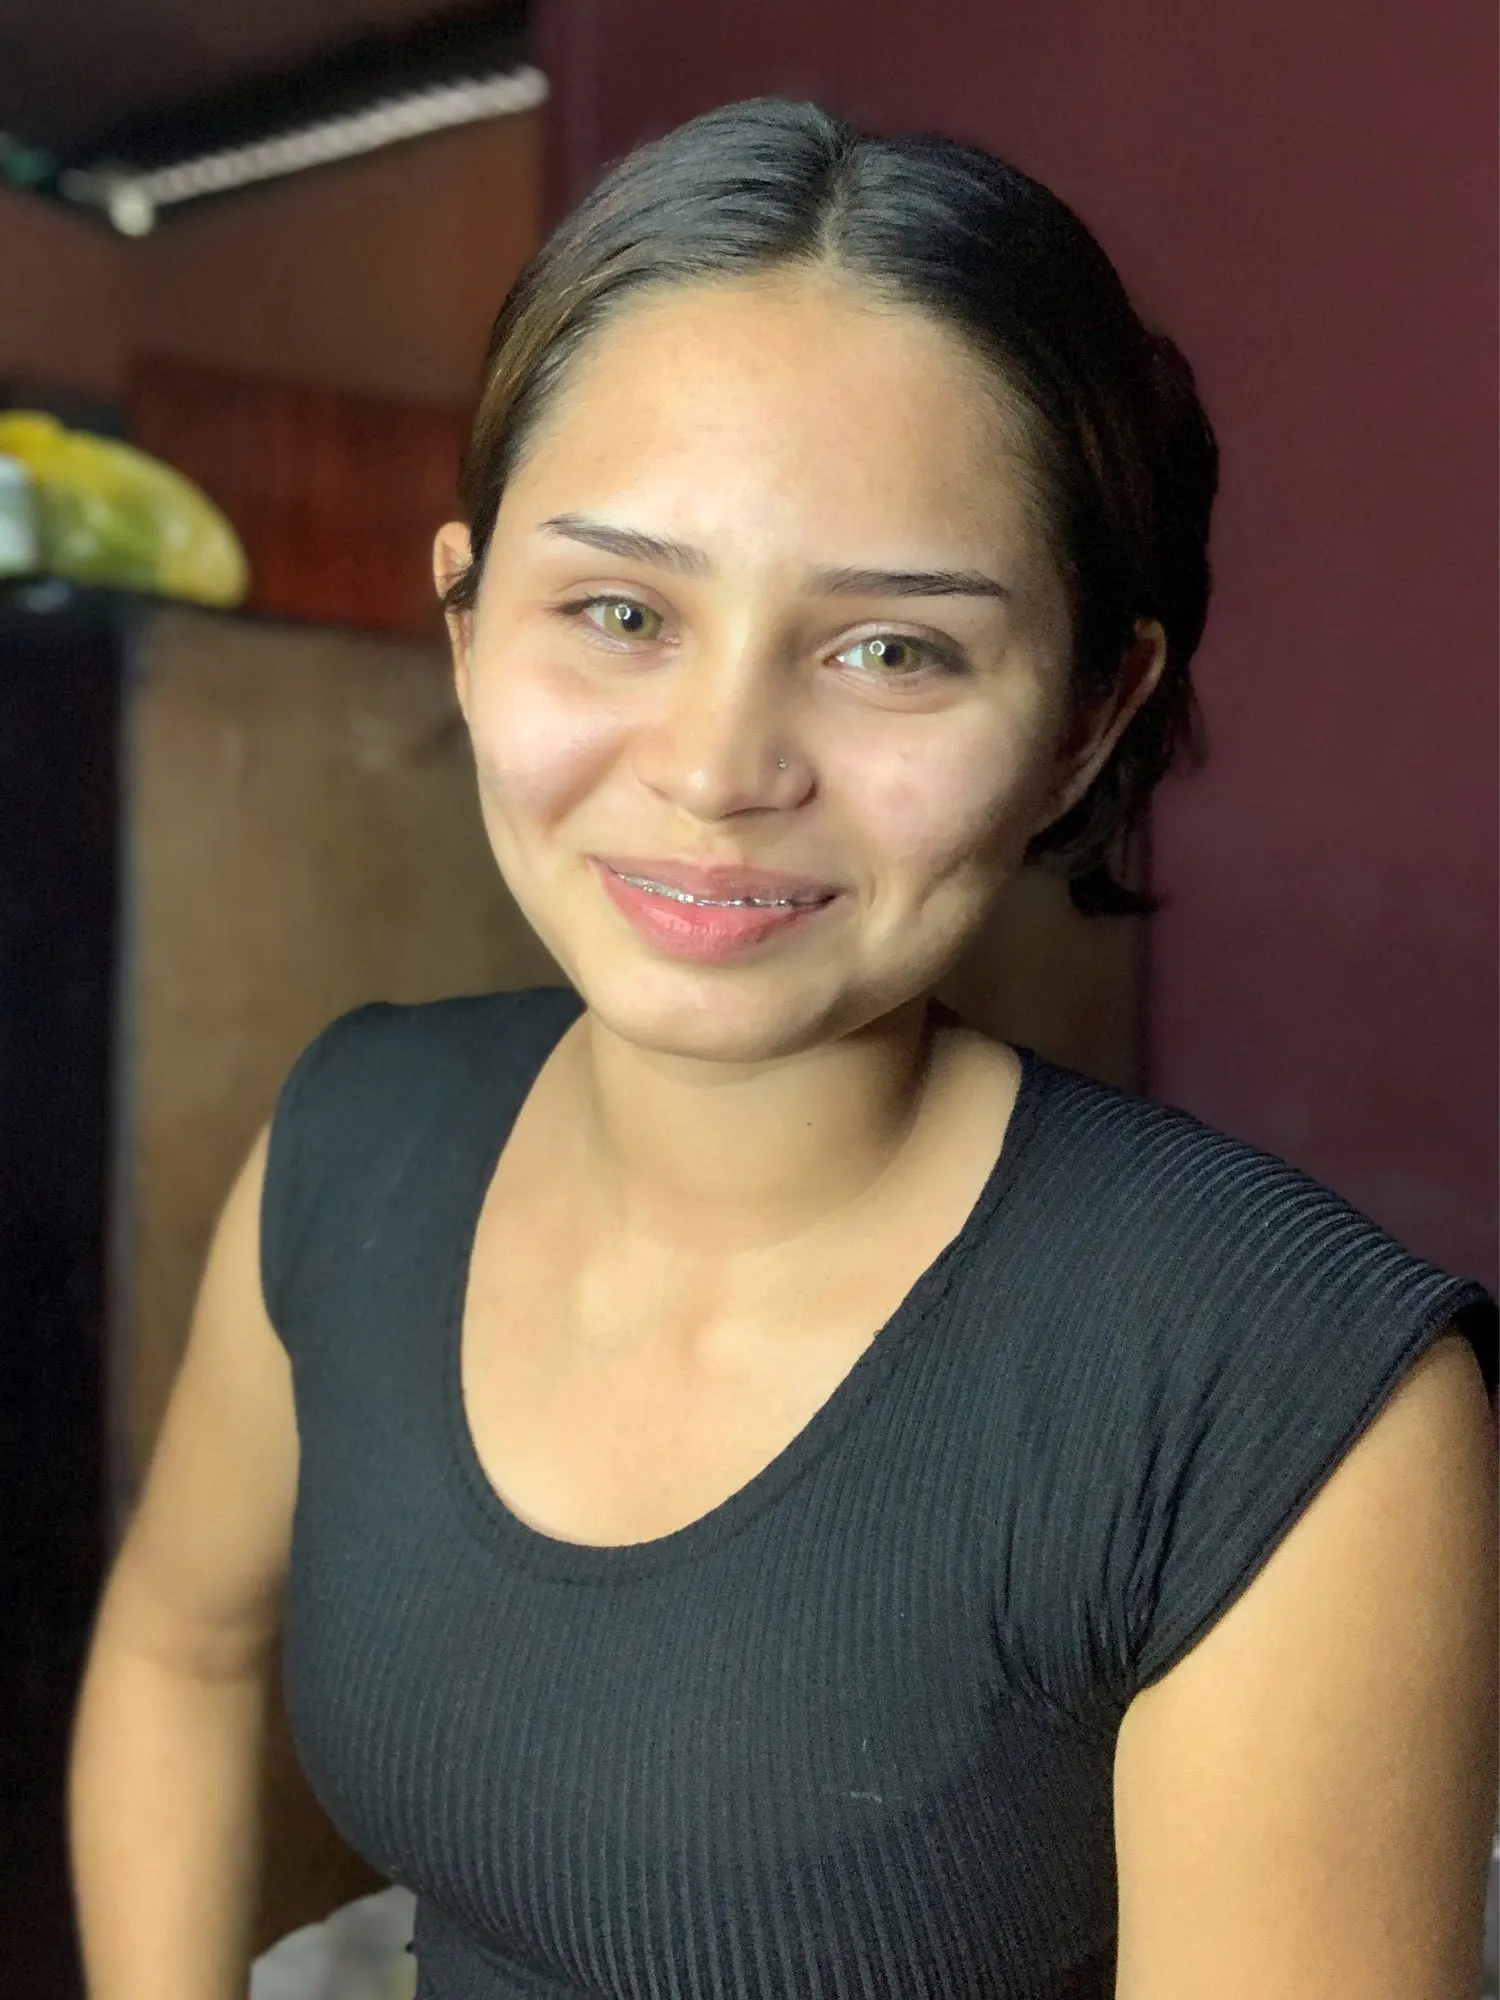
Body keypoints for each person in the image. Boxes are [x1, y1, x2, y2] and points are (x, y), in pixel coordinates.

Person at [69, 98, 1497, 2000]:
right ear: (469, 622)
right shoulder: (356, 1136)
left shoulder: (1279, 1401)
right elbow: (176, 1654)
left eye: (891, 649)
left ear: (1088, 716)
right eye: (619, 611)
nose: (721, 768)